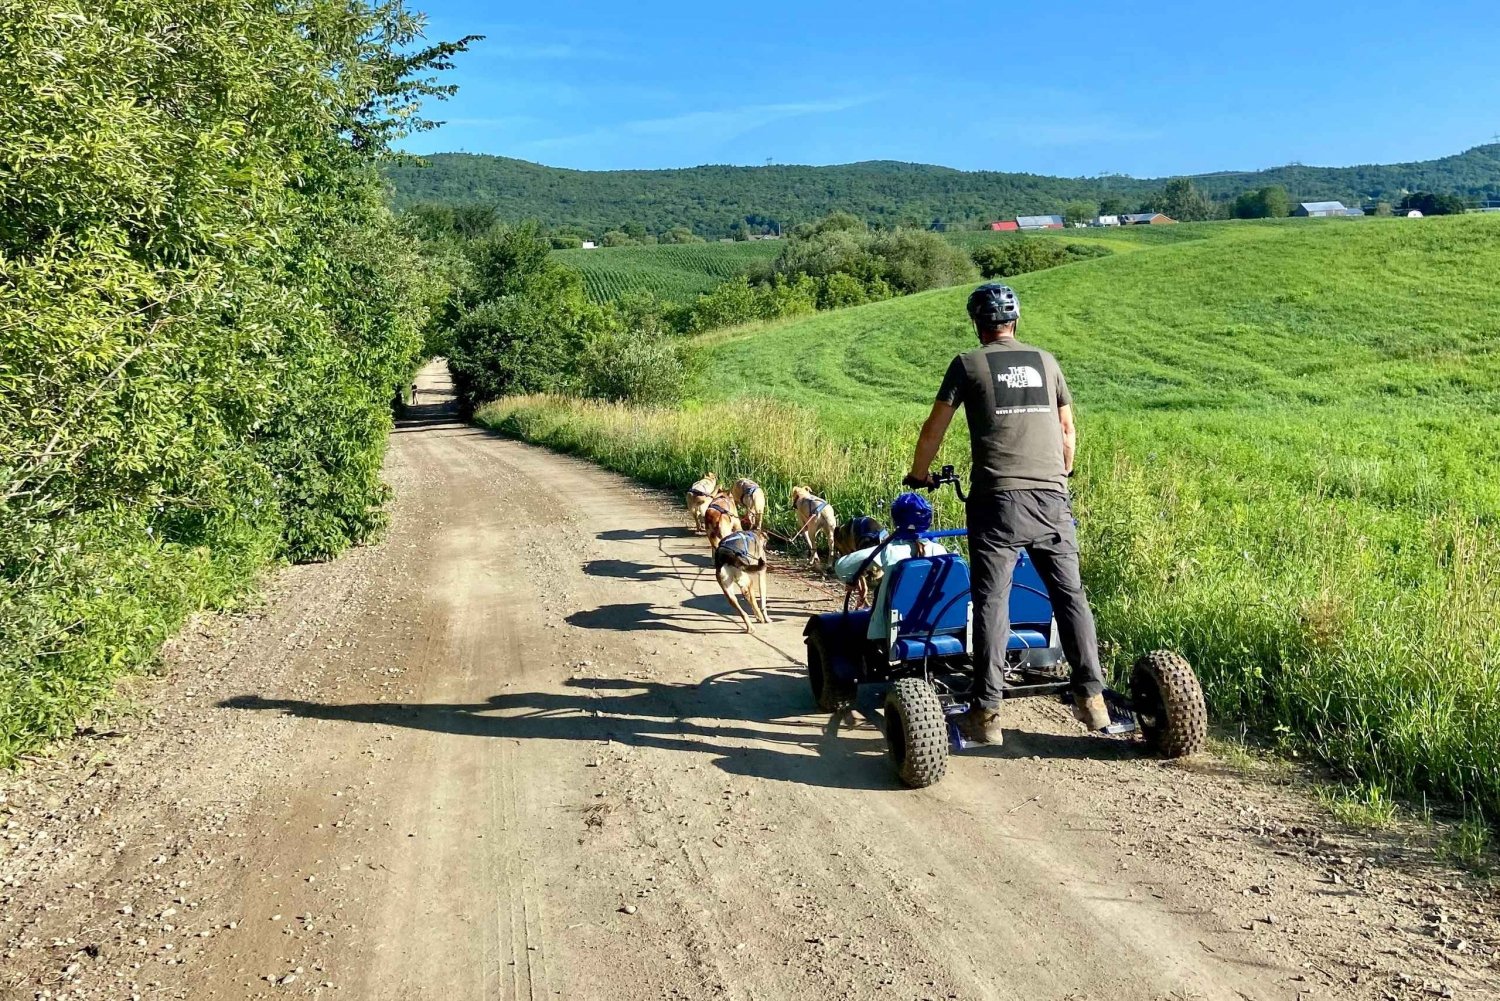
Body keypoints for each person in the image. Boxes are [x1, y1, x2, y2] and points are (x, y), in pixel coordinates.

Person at [904, 283, 1110, 745]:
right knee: (1070, 595)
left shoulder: (968, 363)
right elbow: (1067, 432)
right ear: (1016, 321)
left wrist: (919, 474)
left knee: (992, 599)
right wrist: (1062, 472)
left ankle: (988, 711)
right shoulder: (1047, 362)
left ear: (978, 324)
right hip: (1052, 497)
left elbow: (934, 427)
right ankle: (1091, 697)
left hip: (998, 499)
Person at [832, 493, 947, 643]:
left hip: (891, 626)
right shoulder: (941, 550)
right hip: (935, 622)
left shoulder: (888, 551)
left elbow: (842, 567)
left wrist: (853, 579)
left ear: (896, 519)